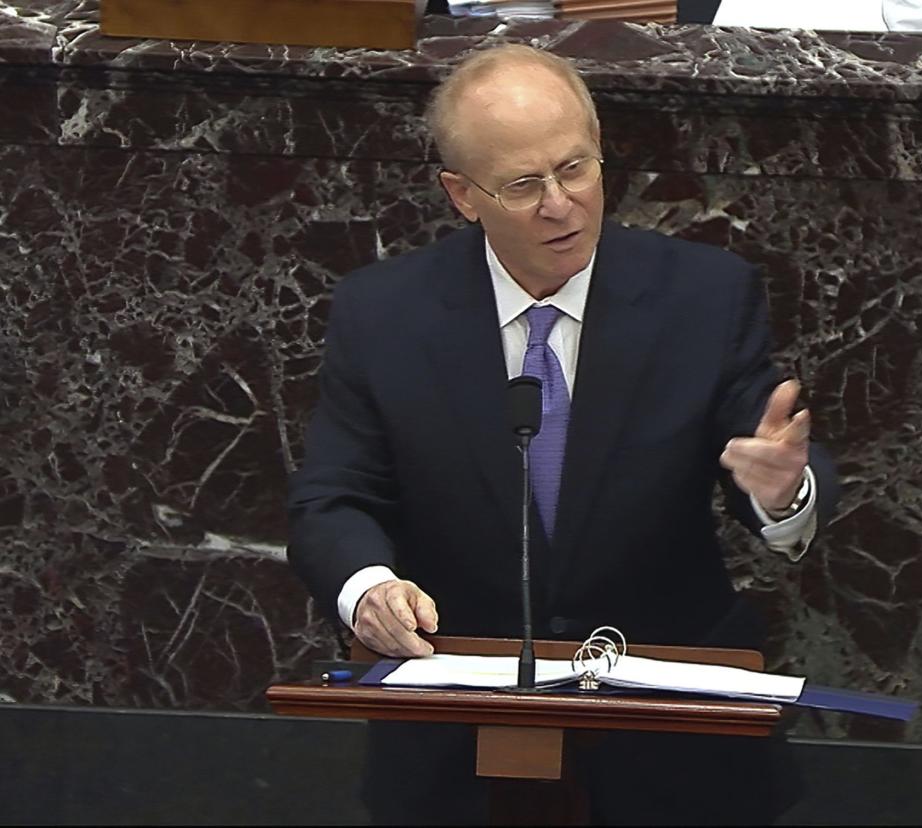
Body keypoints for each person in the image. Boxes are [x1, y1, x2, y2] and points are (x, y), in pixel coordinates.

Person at [287, 43, 838, 825]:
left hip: (672, 750)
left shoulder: (704, 296)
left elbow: (771, 447)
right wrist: (367, 591)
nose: (560, 204)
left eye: (576, 169)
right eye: (522, 185)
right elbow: (332, 498)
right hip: (459, 752)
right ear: (461, 194)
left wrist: (784, 490)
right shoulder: (384, 315)